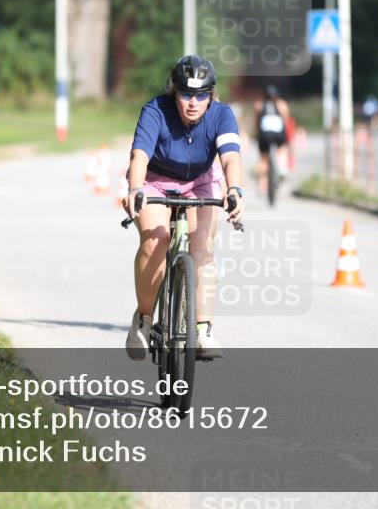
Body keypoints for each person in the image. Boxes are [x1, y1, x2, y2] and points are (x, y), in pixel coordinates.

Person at [122, 55, 245, 361]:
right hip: (155, 181)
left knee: (202, 249)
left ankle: (202, 330)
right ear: (173, 92)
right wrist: (135, 189)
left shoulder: (222, 115)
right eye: (186, 94)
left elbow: (230, 157)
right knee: (156, 240)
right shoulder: (156, 110)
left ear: (210, 95)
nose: (193, 102)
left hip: (199, 182)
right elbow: (139, 155)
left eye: (201, 95)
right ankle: (144, 320)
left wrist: (234, 190)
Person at [254, 84, 291, 194]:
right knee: (282, 150)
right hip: (278, 134)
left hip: (264, 134)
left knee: (263, 158)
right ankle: (282, 169)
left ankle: (261, 185)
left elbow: (257, 123)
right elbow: (286, 121)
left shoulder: (259, 105)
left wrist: (257, 134)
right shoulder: (282, 105)